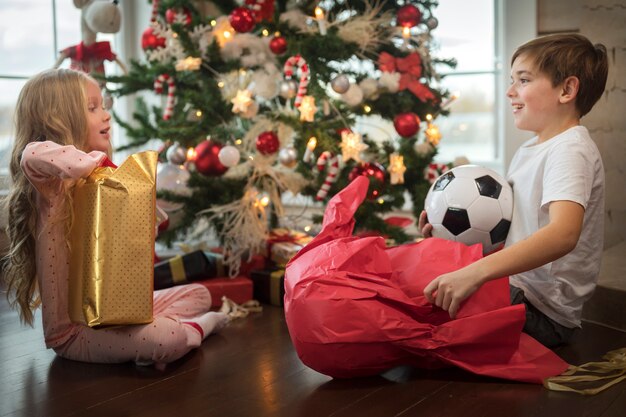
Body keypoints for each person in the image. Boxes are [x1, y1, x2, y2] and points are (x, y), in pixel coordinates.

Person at [2, 68, 228, 365]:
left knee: (199, 293)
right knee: (167, 338)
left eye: (104, 105)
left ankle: (167, 329)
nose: (106, 115)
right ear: (58, 119)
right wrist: (96, 163)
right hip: (75, 333)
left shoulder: (98, 183)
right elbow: (32, 154)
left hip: (115, 311)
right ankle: (194, 330)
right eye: (92, 108)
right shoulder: (51, 186)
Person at [419, 33, 609, 348]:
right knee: (422, 279)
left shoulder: (571, 149)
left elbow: (563, 234)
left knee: (416, 305)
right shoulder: (530, 150)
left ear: (567, 89)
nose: (510, 92)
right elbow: (515, 234)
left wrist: (475, 273)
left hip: (543, 312)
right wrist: (447, 237)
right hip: (519, 289)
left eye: (523, 80)